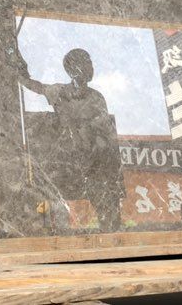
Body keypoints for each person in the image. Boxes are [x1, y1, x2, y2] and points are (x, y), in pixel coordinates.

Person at [21, 49, 125, 231]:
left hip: (94, 164)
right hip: (68, 163)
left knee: (109, 212)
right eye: (86, 63)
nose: (91, 68)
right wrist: (18, 72)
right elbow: (36, 86)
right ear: (72, 69)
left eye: (90, 63)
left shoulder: (96, 97)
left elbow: (104, 133)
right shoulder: (59, 92)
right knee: (52, 207)